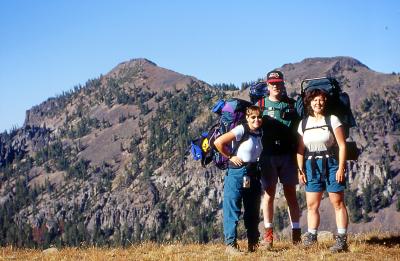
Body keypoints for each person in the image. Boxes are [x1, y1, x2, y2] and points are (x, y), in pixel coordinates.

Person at [296, 88, 349, 253]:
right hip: (311, 166)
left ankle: (342, 240)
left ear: (325, 102)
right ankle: (312, 237)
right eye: (314, 100)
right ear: (309, 102)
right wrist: (300, 170)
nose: (317, 103)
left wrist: (341, 167)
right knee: (312, 205)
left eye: (321, 100)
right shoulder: (303, 123)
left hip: (332, 164)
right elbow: (300, 149)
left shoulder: (332, 120)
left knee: (337, 203)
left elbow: (342, 145)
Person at [259, 70, 301, 248]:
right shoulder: (260, 105)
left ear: (283, 84)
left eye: (278, 83)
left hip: (288, 155)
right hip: (268, 155)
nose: (275, 86)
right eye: (272, 83)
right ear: (267, 85)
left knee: (291, 194)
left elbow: (300, 133)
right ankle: (268, 237)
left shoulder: (292, 105)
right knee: (269, 195)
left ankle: (297, 236)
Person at [214, 105, 263, 254]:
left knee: (252, 209)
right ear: (247, 118)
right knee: (232, 208)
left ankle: (253, 244)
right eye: (253, 117)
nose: (256, 120)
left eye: (259, 117)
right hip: (237, 173)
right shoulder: (241, 130)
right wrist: (230, 156)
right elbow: (218, 142)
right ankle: (230, 245)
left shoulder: (260, 132)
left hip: (253, 173)